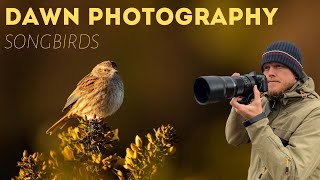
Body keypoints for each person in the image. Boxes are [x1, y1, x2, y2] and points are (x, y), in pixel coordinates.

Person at [225, 41, 320, 179]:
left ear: (296, 73)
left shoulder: (314, 112)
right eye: (266, 67)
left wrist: (257, 122)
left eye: (278, 66)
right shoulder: (264, 102)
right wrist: (241, 100)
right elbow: (235, 139)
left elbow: (293, 175)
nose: (270, 73)